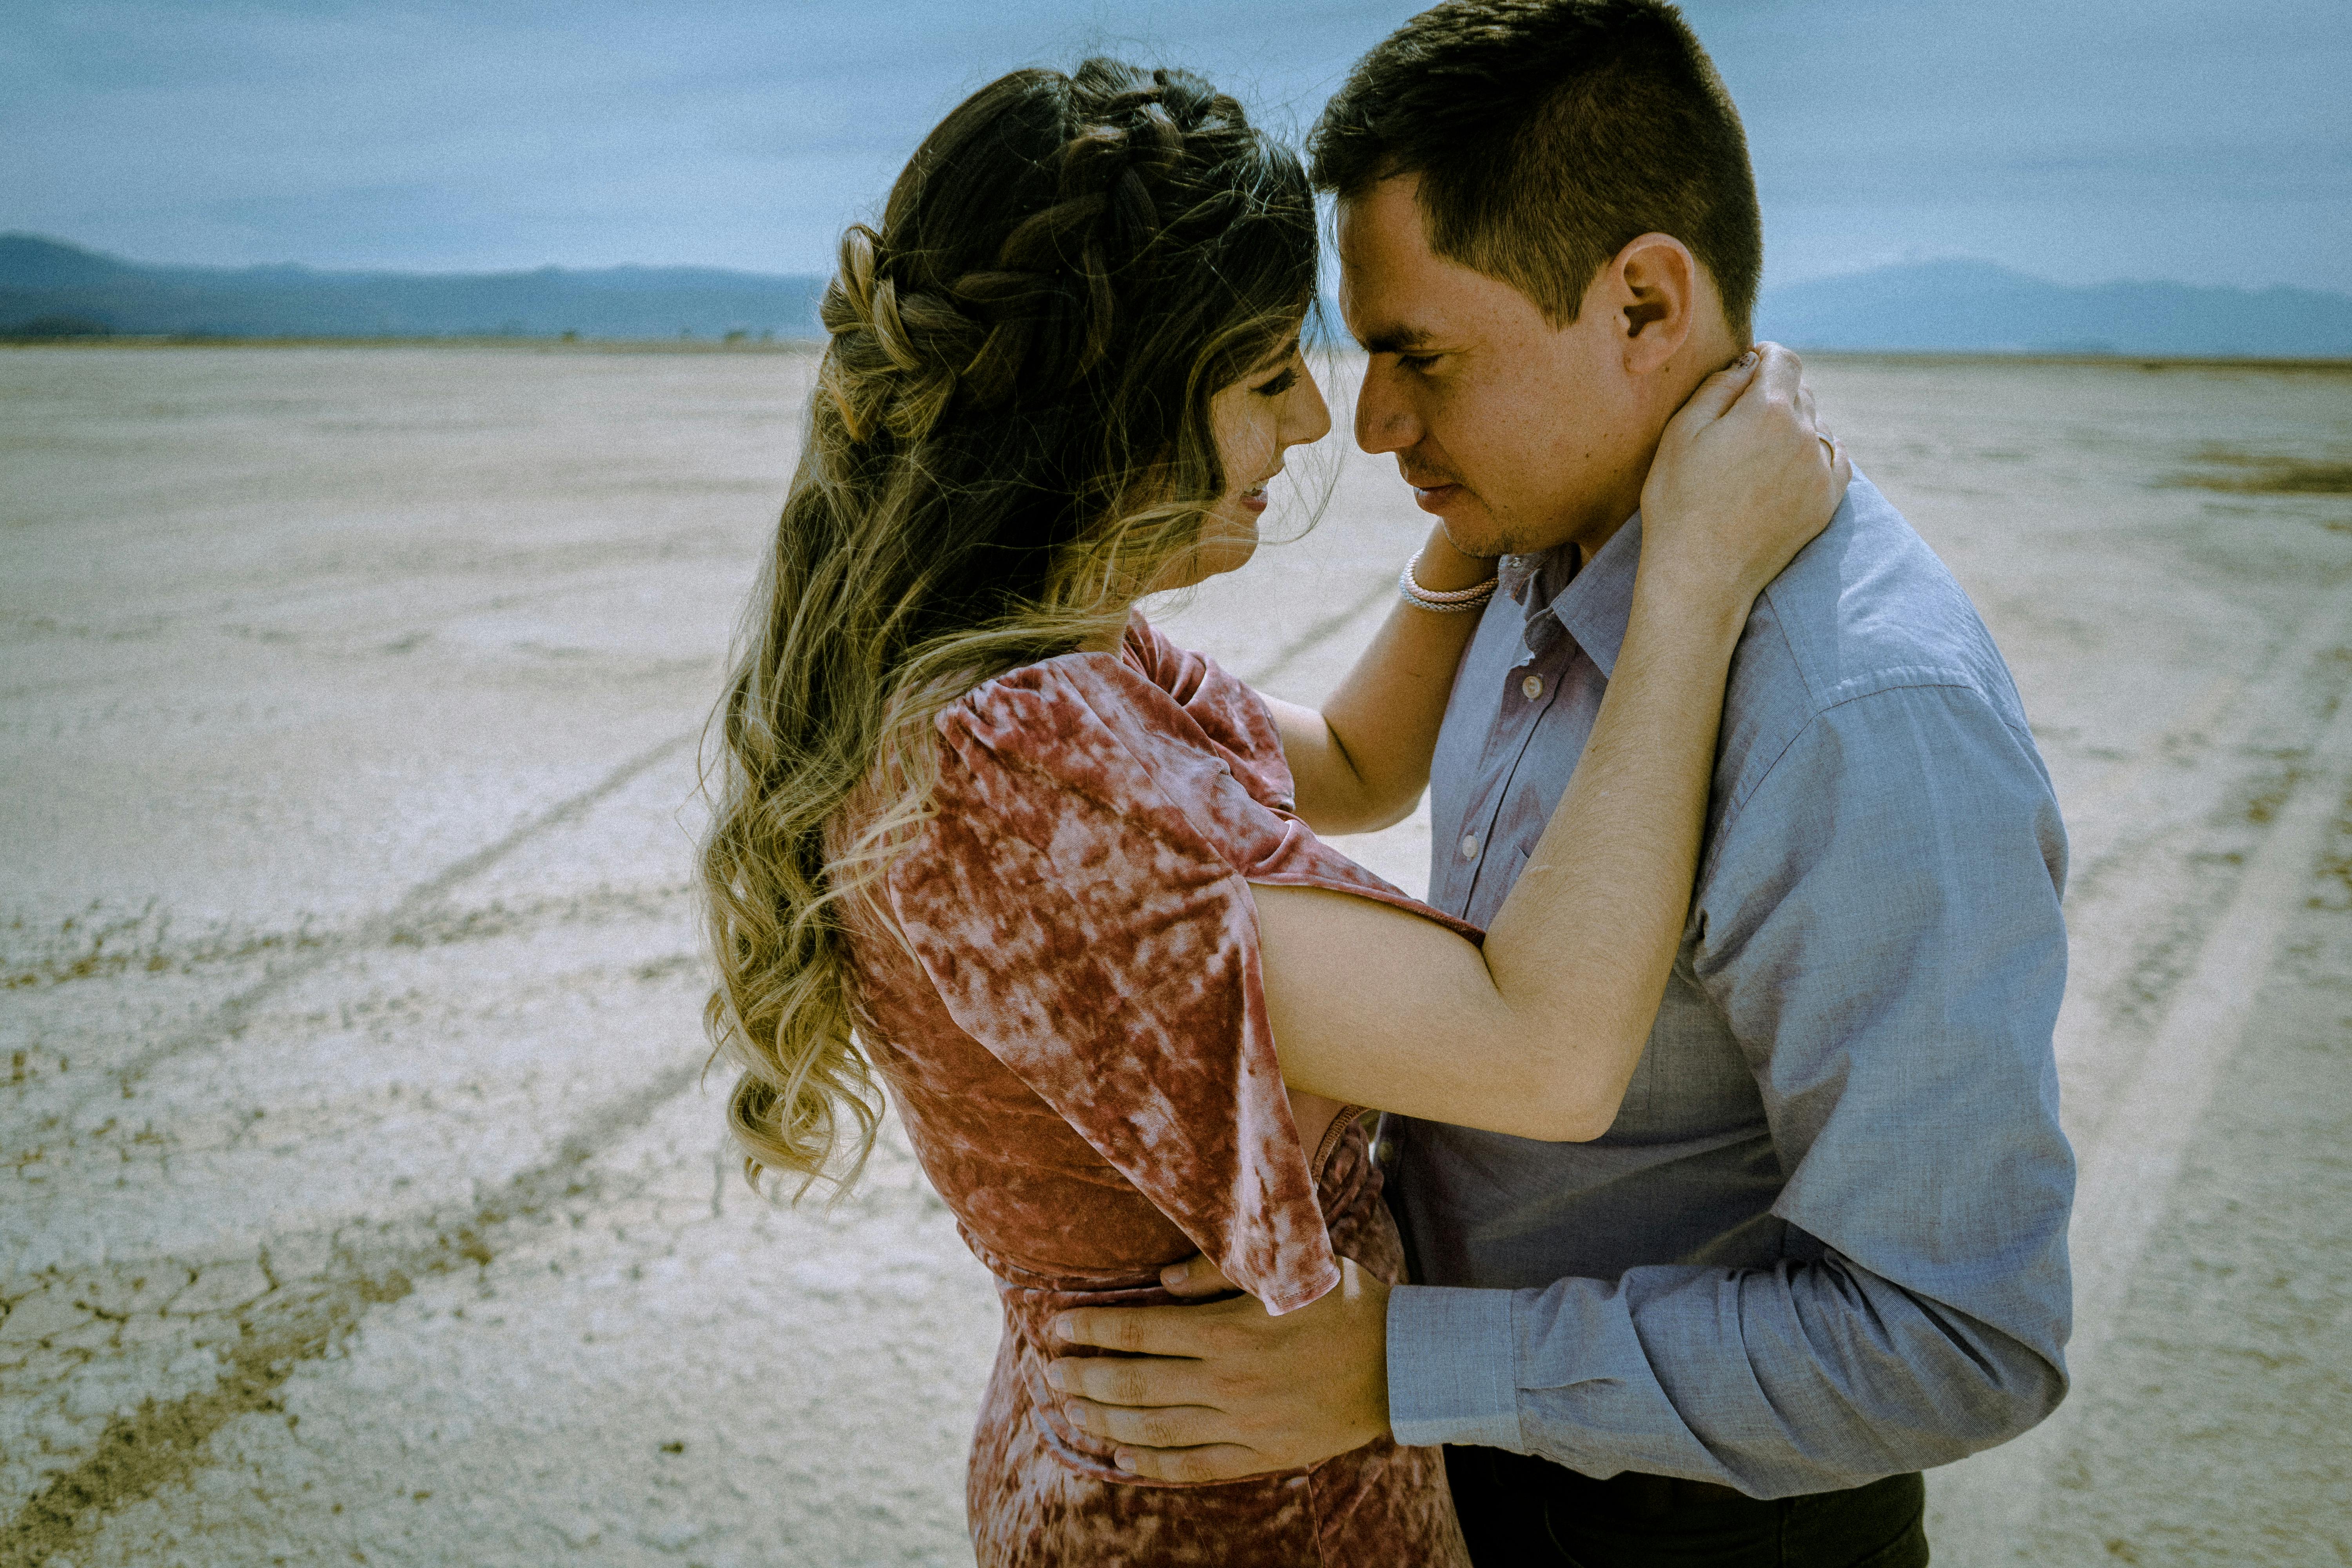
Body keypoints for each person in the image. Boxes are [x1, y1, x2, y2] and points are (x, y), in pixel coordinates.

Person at [698, 54, 1844, 1568]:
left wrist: (1482, 525)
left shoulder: (1044, 657)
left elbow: (1365, 765)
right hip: (1217, 1514)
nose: (1317, 419)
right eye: (1261, 375)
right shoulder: (1014, 757)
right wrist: (1691, 580)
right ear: (1111, 403)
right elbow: (1542, 1052)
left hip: (1192, 1471)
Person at [1045, 6, 2076, 1566]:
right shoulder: (1542, 551)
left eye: (1424, 358)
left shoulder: (1860, 710)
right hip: (1462, 1479)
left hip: (1694, 1528)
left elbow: (1956, 1339)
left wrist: (1408, 1366)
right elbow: (1356, 766)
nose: (1372, 422)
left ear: (1643, 302)